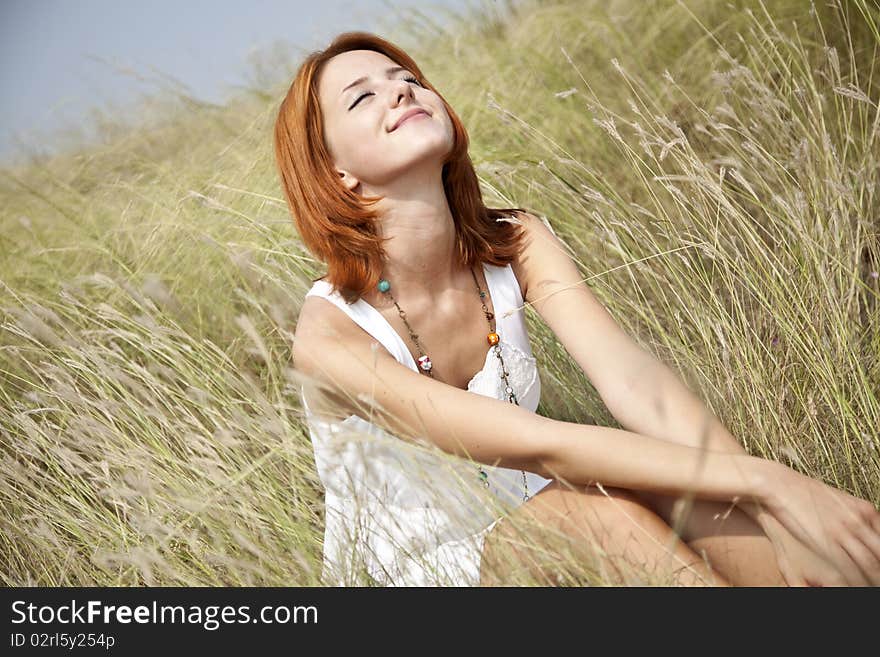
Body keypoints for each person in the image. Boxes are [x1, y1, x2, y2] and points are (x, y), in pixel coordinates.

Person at [273, 31, 880, 587]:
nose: (400, 89)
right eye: (362, 98)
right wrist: (772, 480)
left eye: (406, 77)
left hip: (539, 507)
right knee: (607, 519)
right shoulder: (330, 334)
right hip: (423, 568)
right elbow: (541, 445)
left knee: (705, 503)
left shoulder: (518, 241)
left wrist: (771, 509)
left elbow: (640, 388)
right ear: (337, 171)